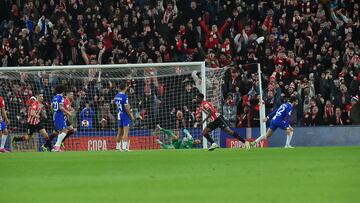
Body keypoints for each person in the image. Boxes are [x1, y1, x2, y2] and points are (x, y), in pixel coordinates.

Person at [114, 82, 135, 152]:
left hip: (119, 114)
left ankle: (117, 147)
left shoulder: (116, 96)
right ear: (125, 88)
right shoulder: (125, 96)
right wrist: (131, 116)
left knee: (119, 132)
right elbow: (126, 108)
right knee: (126, 131)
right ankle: (124, 148)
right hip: (125, 115)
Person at [51, 85, 72, 152]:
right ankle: (57, 146)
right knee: (65, 130)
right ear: (62, 91)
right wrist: (68, 112)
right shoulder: (61, 97)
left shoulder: (54, 97)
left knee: (61, 131)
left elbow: (51, 107)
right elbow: (61, 107)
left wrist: (55, 111)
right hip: (59, 115)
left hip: (55, 114)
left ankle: (56, 147)